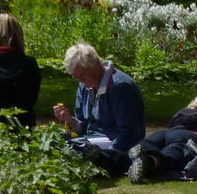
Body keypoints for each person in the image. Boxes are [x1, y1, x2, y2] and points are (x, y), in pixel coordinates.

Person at [52, 43, 145, 176]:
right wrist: (69, 119)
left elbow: (129, 133)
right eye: (77, 78)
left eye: (82, 76)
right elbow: (83, 126)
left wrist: (107, 157)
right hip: (91, 142)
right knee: (53, 140)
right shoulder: (84, 86)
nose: (81, 81)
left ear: (94, 66)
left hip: (116, 148)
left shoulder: (119, 86)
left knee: (72, 150)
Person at [126, 90, 197, 184]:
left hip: (167, 133)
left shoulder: (183, 112)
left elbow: (172, 124)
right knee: (174, 152)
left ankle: (119, 159)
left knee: (147, 145)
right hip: (192, 136)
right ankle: (150, 162)